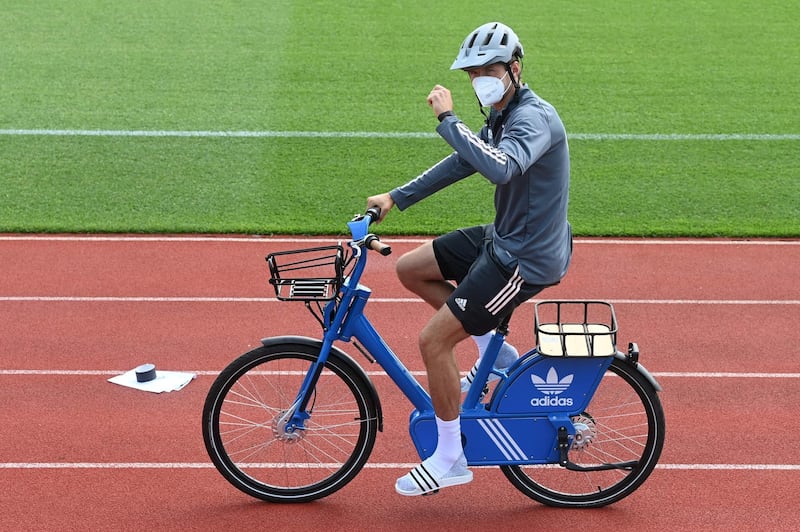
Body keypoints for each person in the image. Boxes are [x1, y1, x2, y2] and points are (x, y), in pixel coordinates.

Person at [366, 21, 572, 496]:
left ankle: (449, 458)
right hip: (503, 236)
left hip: (525, 258)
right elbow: (466, 161)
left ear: (514, 68)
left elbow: (500, 168)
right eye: (472, 71)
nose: (479, 77)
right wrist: (397, 197)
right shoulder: (503, 114)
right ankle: (493, 350)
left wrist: (448, 121)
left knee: (433, 343)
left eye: (488, 69)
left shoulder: (533, 118)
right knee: (409, 269)